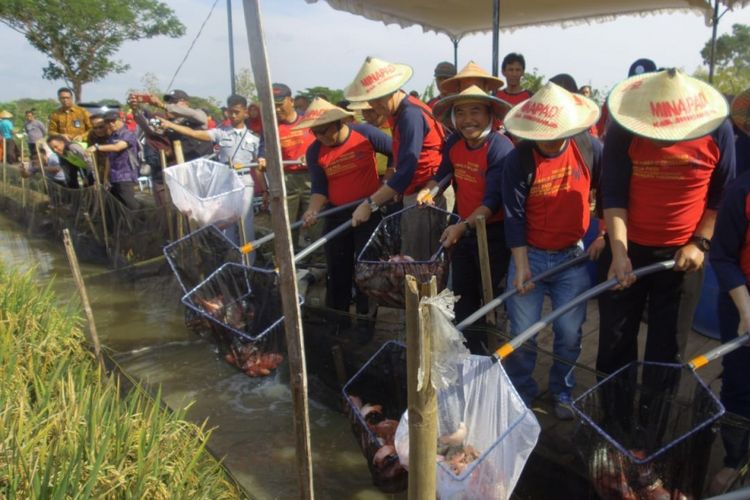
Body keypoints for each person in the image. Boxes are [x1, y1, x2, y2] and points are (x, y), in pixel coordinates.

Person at [596, 69, 735, 378]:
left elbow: (720, 198)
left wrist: (700, 243)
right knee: (614, 343)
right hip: (628, 248)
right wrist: (619, 253)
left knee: (667, 349)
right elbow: (614, 194)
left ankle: (652, 421)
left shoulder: (717, 131)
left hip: (684, 257)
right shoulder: (624, 129)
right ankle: (610, 418)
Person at [501, 82, 601, 418]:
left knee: (569, 333)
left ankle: (562, 392)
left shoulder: (588, 147)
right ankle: (521, 391)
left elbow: (611, 190)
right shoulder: (518, 159)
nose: (549, 136)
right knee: (523, 332)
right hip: (529, 254)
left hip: (573, 257)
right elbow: (513, 216)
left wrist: (601, 233)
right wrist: (521, 264)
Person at [420, 85, 514, 353]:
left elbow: (491, 202)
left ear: (490, 116)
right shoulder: (454, 143)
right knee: (463, 295)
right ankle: (469, 352)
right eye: (460, 113)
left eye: (475, 111)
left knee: (491, 297)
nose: (467, 119)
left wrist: (462, 226)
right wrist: (429, 190)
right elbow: (442, 174)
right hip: (463, 227)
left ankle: (492, 353)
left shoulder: (501, 148)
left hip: (493, 233)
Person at [297, 98, 392, 326]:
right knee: (337, 269)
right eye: (315, 132)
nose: (320, 137)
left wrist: (391, 174)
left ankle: (365, 321)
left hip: (368, 211)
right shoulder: (314, 151)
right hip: (337, 214)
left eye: (324, 131)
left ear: (339, 123)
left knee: (366, 269)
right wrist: (312, 210)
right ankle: (338, 322)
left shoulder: (366, 133)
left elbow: (396, 150)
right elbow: (319, 188)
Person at [345, 56, 446, 260]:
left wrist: (370, 203)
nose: (374, 106)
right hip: (412, 191)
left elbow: (409, 166)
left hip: (423, 195)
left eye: (377, 99)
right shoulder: (399, 112)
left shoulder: (410, 115)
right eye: (370, 100)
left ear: (393, 91)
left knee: (418, 263)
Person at [708, 92, 750, 494]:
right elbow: (722, 257)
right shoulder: (741, 191)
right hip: (743, 298)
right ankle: (734, 458)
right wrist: (745, 308)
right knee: (739, 382)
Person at [159, 94, 261, 246]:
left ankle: (248, 265)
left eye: (236, 112)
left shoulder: (254, 138)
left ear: (245, 112)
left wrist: (264, 190)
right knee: (226, 224)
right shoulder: (221, 132)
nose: (232, 115)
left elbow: (258, 166)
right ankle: (231, 261)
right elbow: (194, 133)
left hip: (245, 182)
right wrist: (171, 125)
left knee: (246, 224)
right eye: (230, 111)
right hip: (226, 182)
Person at [258, 83, 316, 246]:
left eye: (279, 105)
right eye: (272, 106)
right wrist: (262, 158)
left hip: (311, 178)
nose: (276, 110)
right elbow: (263, 149)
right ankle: (289, 261)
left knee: (315, 222)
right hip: (285, 180)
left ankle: (320, 266)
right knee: (286, 225)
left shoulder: (309, 120)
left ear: (291, 100)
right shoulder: (271, 127)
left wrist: (311, 156)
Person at [87, 110, 140, 210]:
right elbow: (109, 158)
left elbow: (117, 147)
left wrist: (97, 147)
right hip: (114, 177)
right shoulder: (112, 136)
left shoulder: (128, 133)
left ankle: (142, 224)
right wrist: (106, 177)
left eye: (113, 121)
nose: (111, 124)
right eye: (107, 122)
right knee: (118, 207)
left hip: (125, 176)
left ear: (121, 119)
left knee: (131, 206)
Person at [142, 89, 213, 162]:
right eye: (169, 102)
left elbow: (193, 114)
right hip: (183, 166)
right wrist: (136, 109)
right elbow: (148, 128)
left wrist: (163, 105)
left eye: (174, 102)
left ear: (185, 103)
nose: (171, 104)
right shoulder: (167, 123)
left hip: (205, 164)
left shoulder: (198, 114)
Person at [348, 101, 392, 179]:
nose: (366, 115)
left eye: (371, 111)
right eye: (364, 111)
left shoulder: (394, 128)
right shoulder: (363, 131)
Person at [439, 61, 505, 96]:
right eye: (467, 88)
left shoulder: (496, 114)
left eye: (476, 87)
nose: (471, 91)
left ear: (485, 88)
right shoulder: (450, 112)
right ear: (458, 90)